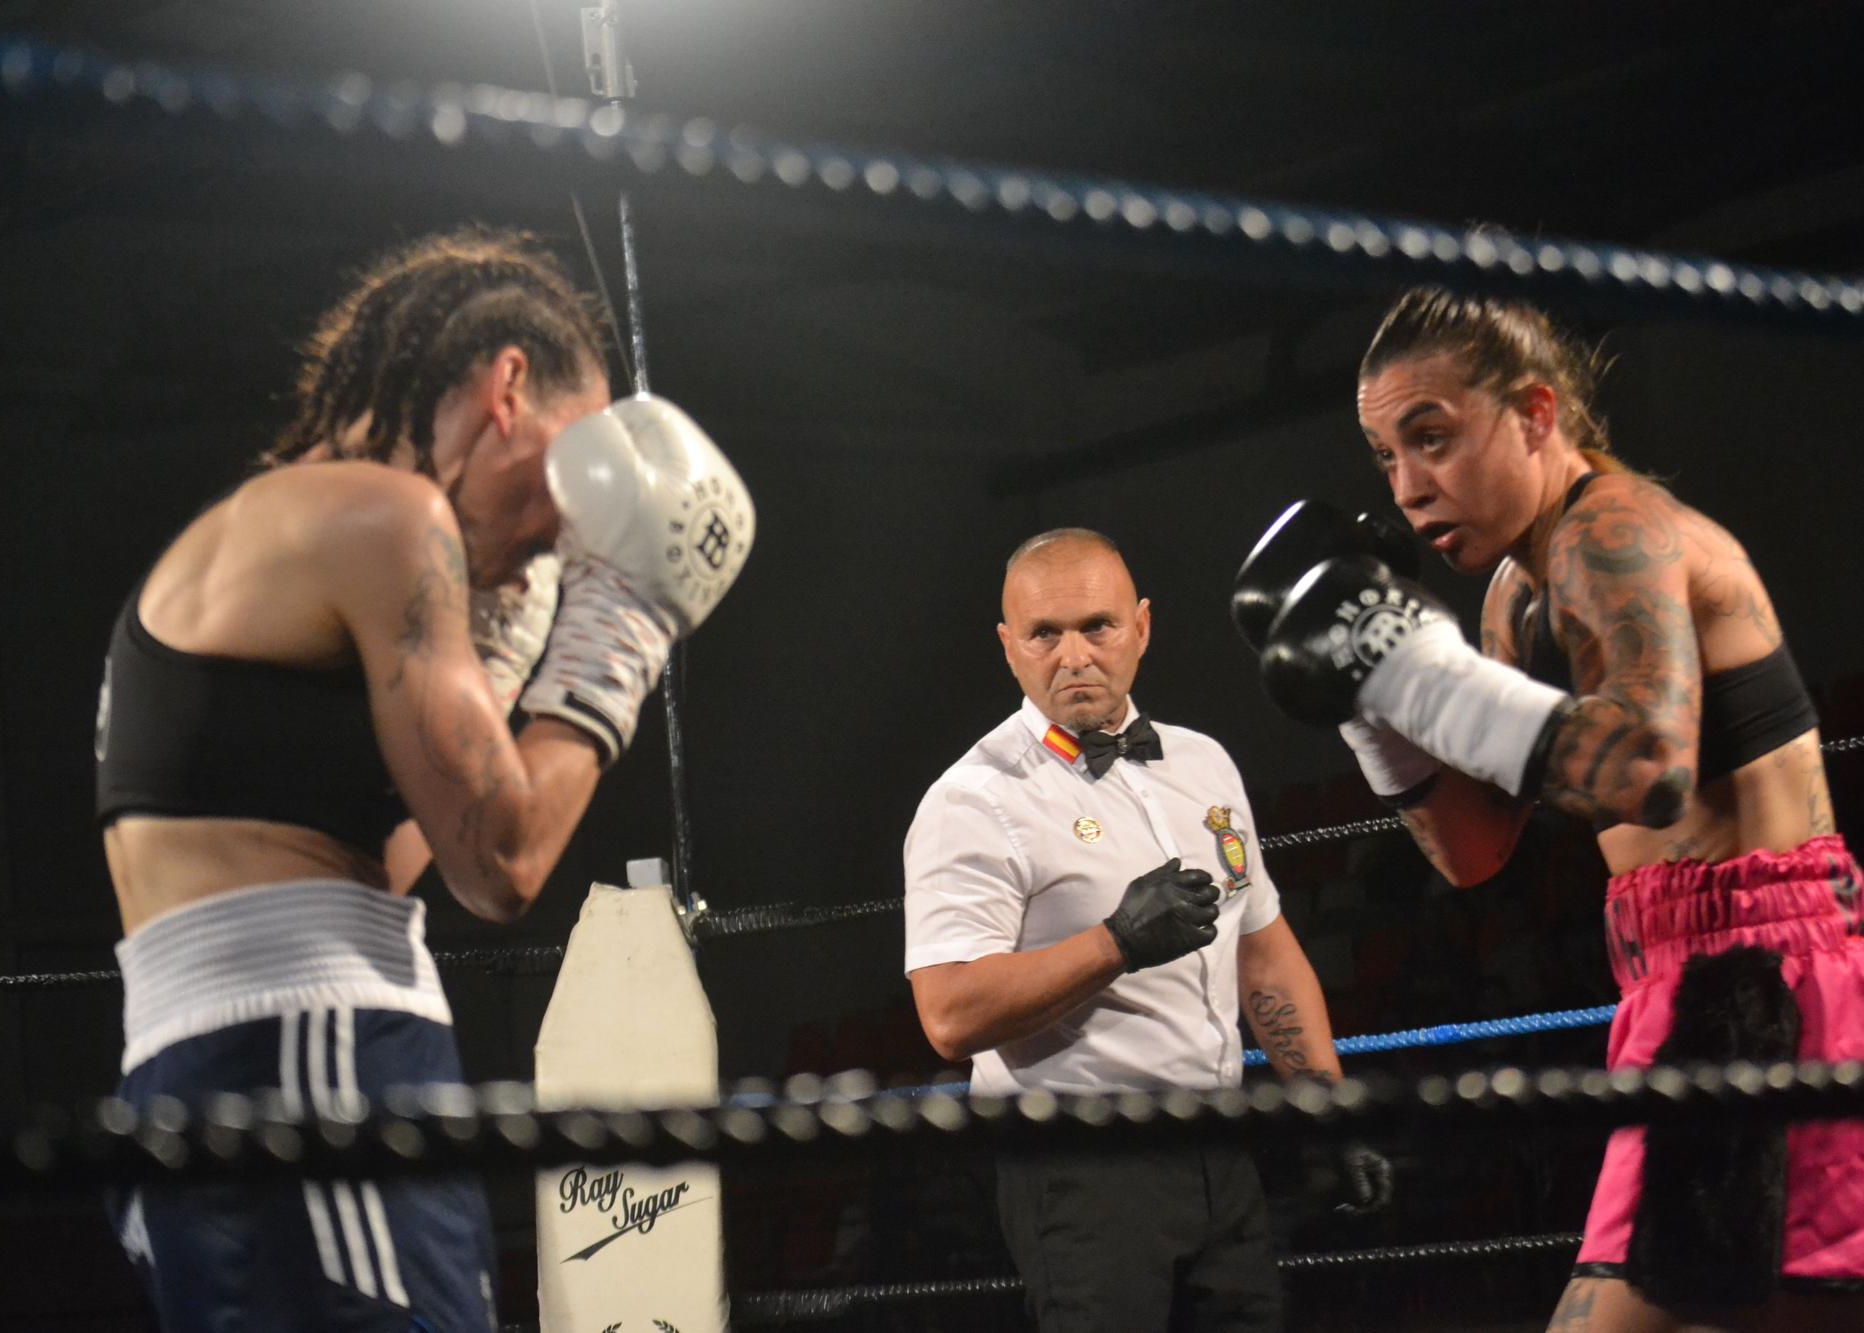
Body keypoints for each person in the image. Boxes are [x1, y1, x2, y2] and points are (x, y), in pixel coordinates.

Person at [93, 226, 751, 1331]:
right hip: (314, 1054)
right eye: (576, 462)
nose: (568, 530)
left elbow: (415, 858)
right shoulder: (388, 518)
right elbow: (504, 863)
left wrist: (496, 674)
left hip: (198, 1066)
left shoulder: (269, 533)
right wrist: (618, 635)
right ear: (507, 389)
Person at [1238, 286, 1864, 1332]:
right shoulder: (1509, 596)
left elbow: (1647, 768)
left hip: (1771, 978)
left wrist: (1415, 671)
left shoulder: (1611, 529)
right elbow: (1475, 851)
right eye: (1385, 456)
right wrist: (1373, 708)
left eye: (1430, 439)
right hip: (1678, 983)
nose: (1407, 488)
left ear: (1535, 415)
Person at [903, 528, 1388, 1333]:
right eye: (1044, 634)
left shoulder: (1205, 766)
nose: (1073, 655)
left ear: (1142, 627)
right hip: (1081, 1165)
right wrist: (1116, 942)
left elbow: (1262, 953)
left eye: (1096, 625)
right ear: (1008, 646)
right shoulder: (974, 800)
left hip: (1221, 1154)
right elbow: (949, 1014)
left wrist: (1326, 1107)